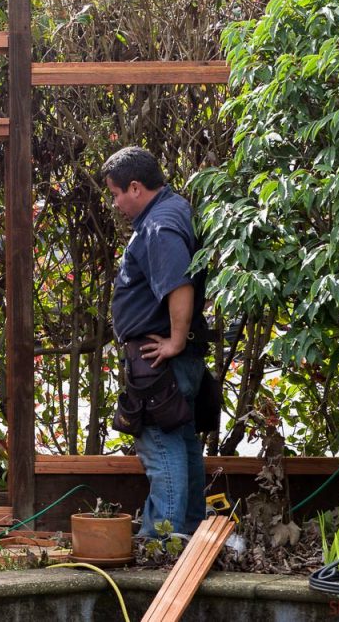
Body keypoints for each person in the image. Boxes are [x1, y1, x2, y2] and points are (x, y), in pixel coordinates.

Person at [102, 146, 207, 538]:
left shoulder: (159, 227)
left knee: (161, 450)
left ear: (135, 187)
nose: (115, 204)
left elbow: (178, 285)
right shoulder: (174, 209)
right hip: (172, 363)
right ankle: (193, 534)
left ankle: (163, 541)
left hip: (159, 365)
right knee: (181, 444)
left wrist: (174, 342)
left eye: (115, 194)